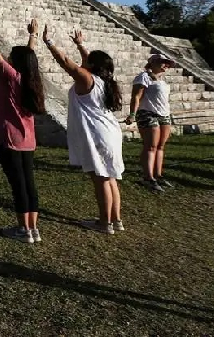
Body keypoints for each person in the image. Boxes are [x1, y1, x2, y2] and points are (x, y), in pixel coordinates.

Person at [43, 27, 125, 235]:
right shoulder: (105, 81)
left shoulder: (87, 80)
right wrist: (80, 45)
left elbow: (66, 63)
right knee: (110, 178)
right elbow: (87, 62)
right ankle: (116, 220)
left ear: (92, 66)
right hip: (110, 132)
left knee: (101, 180)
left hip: (98, 135)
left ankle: (104, 223)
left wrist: (49, 42)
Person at [0, 12, 46, 244]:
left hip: (11, 140)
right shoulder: (31, 81)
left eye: (11, 57)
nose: (8, 58)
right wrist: (32, 36)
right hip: (28, 141)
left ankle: (23, 229)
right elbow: (29, 56)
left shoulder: (11, 77)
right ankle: (33, 228)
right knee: (28, 183)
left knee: (18, 186)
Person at [126, 53, 175, 192]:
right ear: (153, 62)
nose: (166, 65)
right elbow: (136, 96)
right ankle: (148, 177)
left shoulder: (163, 81)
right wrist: (132, 114)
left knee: (160, 146)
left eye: (168, 63)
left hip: (164, 114)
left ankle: (157, 175)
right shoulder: (144, 77)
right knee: (151, 146)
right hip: (147, 113)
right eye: (163, 62)